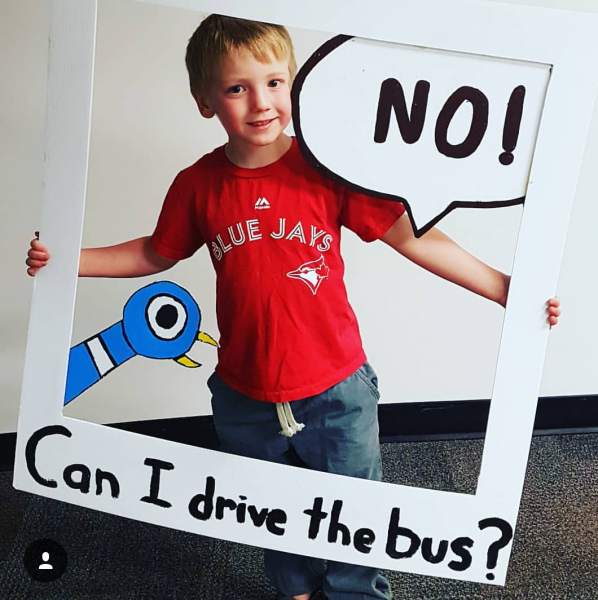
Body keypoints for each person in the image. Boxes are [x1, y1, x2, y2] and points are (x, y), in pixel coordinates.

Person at [25, 14, 561, 600]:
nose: (261, 103)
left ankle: (355, 593)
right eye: (237, 88)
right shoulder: (197, 185)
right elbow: (155, 253)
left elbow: (412, 236)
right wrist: (67, 259)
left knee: (355, 512)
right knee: (271, 511)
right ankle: (297, 590)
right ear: (205, 100)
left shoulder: (326, 168)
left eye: (275, 82)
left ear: (296, 84)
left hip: (336, 390)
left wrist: (507, 288)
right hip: (244, 395)